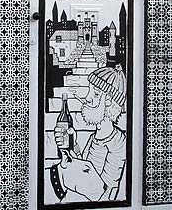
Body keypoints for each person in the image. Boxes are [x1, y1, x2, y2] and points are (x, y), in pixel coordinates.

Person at [50, 65, 128, 202]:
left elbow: (106, 195)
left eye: (96, 93)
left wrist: (71, 170)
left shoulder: (117, 142)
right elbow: (84, 163)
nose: (87, 98)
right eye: (90, 91)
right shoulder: (95, 137)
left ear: (109, 100)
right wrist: (72, 146)